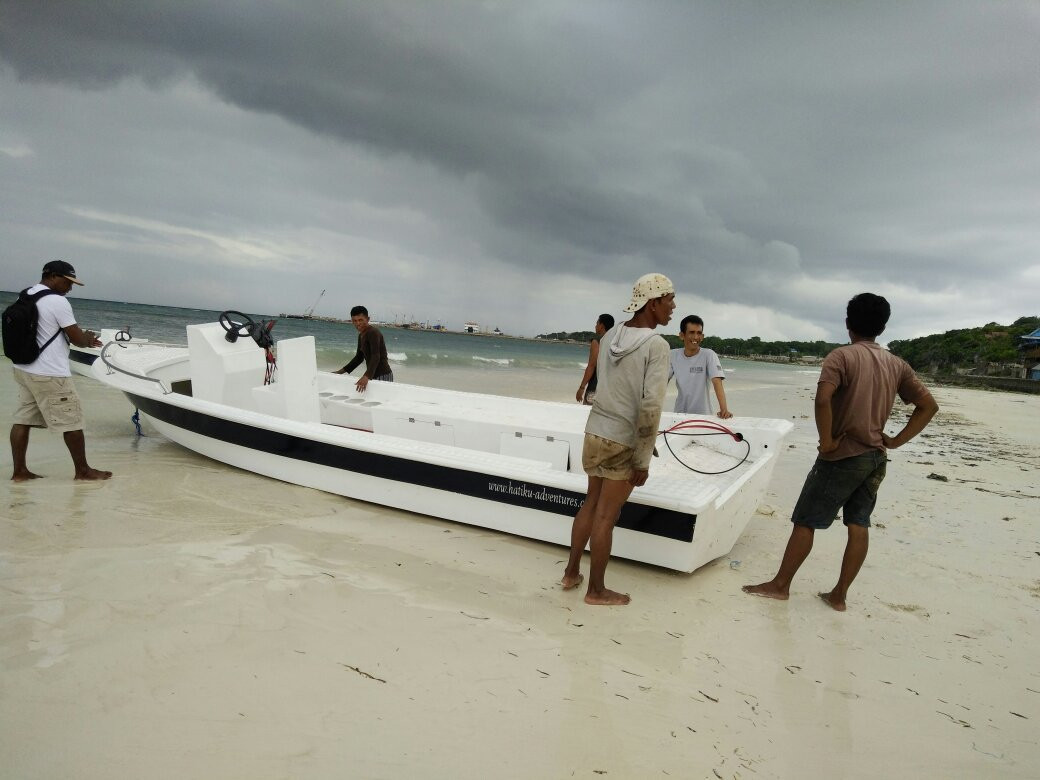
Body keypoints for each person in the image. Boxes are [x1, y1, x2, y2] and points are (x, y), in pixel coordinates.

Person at [743, 293, 938, 612]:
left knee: (805, 519)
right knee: (859, 523)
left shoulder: (841, 357)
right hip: (875, 458)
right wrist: (896, 441)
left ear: (848, 323)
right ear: (883, 327)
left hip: (843, 456)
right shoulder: (896, 364)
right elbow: (928, 406)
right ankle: (839, 595)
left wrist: (827, 442)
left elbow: (823, 399)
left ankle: (780, 586)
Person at [561, 273, 675, 605]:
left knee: (590, 504)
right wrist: (642, 460)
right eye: (669, 300)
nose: (673, 307)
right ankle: (596, 590)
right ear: (653, 303)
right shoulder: (657, 345)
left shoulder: (611, 334)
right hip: (623, 440)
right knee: (606, 517)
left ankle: (571, 573)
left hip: (595, 431)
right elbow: (651, 407)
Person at [9, 260, 111, 481]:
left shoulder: (26, 295)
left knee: (23, 420)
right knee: (72, 421)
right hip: (50, 373)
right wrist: (88, 338)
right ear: (53, 276)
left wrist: (81, 338)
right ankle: (83, 471)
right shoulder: (57, 301)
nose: (70, 287)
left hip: (23, 369)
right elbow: (77, 339)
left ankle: (19, 472)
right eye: (67, 281)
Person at [669, 315, 732, 418]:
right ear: (682, 335)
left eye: (699, 333)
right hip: (679, 415)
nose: (695, 337)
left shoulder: (709, 355)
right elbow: (661, 382)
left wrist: (724, 409)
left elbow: (717, 382)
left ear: (702, 336)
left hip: (703, 416)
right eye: (691, 332)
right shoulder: (672, 355)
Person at [333, 305, 393, 392]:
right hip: (373, 375)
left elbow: (376, 356)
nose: (358, 323)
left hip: (383, 374)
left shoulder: (373, 332)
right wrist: (340, 372)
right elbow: (359, 358)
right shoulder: (361, 335)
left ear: (367, 319)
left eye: (360, 320)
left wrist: (366, 376)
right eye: (354, 321)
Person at [575, 313, 614, 405]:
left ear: (602, 325)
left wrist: (581, 387)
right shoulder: (614, 340)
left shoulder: (597, 340)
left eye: (597, 323)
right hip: (610, 386)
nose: (595, 326)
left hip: (595, 385)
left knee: (589, 409)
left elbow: (592, 365)